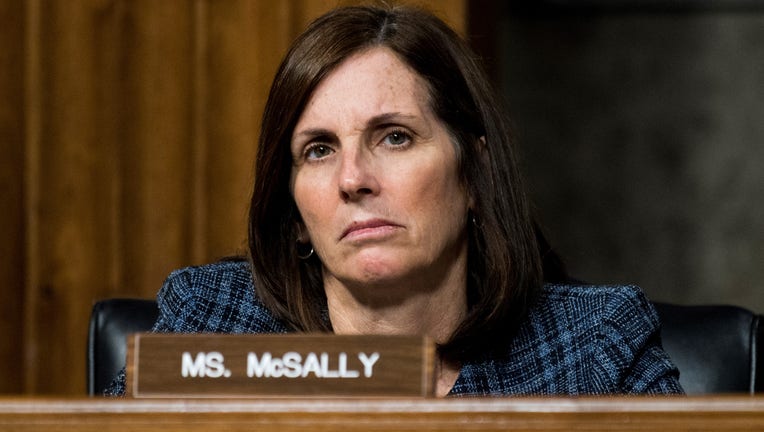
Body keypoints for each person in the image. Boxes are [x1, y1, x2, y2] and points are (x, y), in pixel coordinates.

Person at [106, 4, 682, 397]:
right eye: (319, 150)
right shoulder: (211, 325)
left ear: (475, 174)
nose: (353, 178)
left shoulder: (594, 348)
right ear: (297, 217)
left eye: (395, 137)